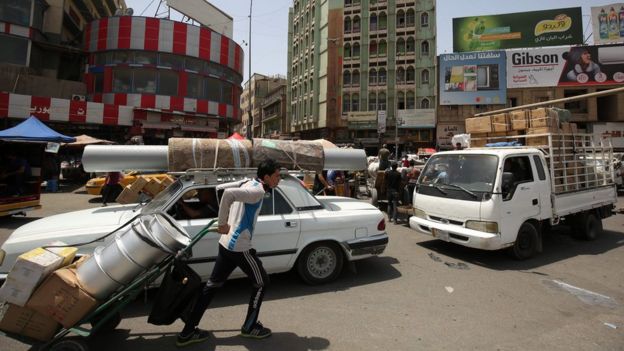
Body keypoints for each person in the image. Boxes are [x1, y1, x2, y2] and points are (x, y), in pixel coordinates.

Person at [177, 159, 282, 347]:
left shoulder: (249, 183)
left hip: (226, 245)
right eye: (277, 176)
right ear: (266, 177)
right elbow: (228, 193)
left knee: (212, 286)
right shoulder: (257, 190)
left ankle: (187, 331)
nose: (279, 179)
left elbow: (221, 188)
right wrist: (223, 223)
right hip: (239, 247)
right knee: (261, 282)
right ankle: (250, 327)